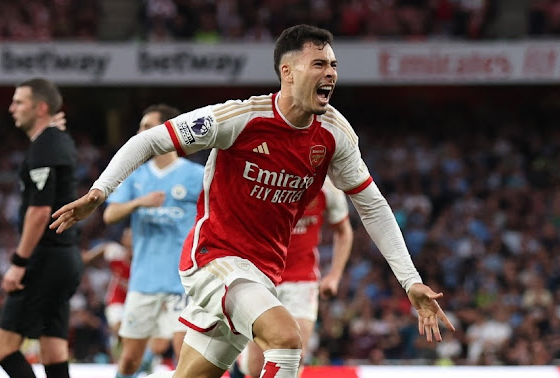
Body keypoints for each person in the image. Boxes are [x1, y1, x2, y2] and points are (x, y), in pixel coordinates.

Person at [50, 24, 454, 378]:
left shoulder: (334, 136)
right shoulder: (240, 119)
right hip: (214, 257)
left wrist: (410, 280)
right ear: (287, 71)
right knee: (286, 338)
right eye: (319, 64)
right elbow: (151, 140)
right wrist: (99, 192)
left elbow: (372, 206)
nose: (330, 73)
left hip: (263, 272)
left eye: (333, 65)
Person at [103, 104, 205, 378]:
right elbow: (110, 215)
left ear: (168, 131)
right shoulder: (136, 175)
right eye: (139, 128)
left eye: (147, 127)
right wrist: (139, 203)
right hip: (143, 282)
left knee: (184, 355)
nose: (140, 133)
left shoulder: (196, 176)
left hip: (182, 282)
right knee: (128, 362)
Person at [0, 77, 82, 378]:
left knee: (3, 346)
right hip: (65, 258)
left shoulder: (46, 146)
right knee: (52, 348)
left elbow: (40, 212)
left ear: (40, 108)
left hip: (45, 259)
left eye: (19, 101)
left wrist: (19, 263)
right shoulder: (56, 140)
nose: (11, 107)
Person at [232, 177, 353, 378]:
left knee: (295, 356)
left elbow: (344, 232)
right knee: (255, 367)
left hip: (302, 281)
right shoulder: (266, 180)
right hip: (262, 278)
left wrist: (334, 275)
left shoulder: (328, 189)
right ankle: (239, 364)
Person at [80, 228, 132, 355]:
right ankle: (117, 353)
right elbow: (105, 248)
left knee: (131, 335)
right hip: (116, 299)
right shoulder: (116, 252)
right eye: (127, 236)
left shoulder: (144, 260)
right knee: (118, 328)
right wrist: (88, 257)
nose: (130, 240)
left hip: (136, 302)